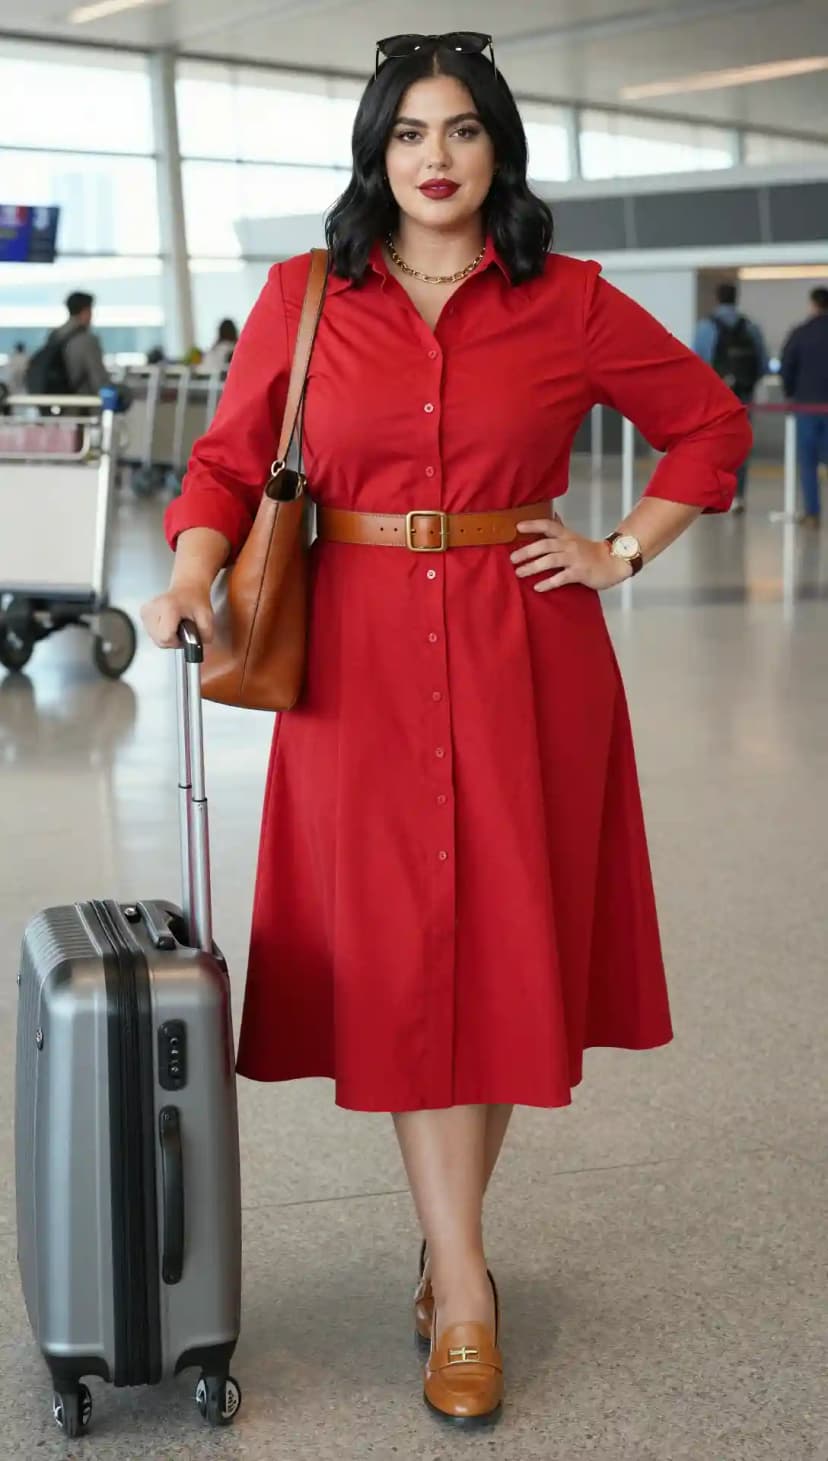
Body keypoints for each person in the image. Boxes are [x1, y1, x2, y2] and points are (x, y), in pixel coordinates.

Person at [141, 31, 750, 1428]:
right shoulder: (305, 297)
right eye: (410, 132)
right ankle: (466, 1281)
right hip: (351, 656)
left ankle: (451, 1258)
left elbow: (710, 429)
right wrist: (188, 572)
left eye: (462, 130)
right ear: (377, 151)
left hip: (526, 652)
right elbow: (229, 461)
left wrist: (620, 551)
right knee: (411, 958)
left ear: (498, 151)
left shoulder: (574, 302)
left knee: (501, 957)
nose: (436, 157)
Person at [693, 282, 767, 513]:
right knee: (741, 445)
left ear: (717, 298)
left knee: (713, 445)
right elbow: (763, 364)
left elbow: (696, 364)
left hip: (716, 397)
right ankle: (739, 497)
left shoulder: (706, 327)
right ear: (736, 298)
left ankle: (714, 496)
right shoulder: (751, 327)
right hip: (744, 395)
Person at [780, 286, 828, 527]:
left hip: (807, 406)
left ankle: (812, 513)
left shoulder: (801, 332)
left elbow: (786, 366)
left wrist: (790, 393)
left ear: (813, 304)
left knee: (808, 463)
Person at [27, 291, 115, 397]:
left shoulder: (55, 335)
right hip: (80, 404)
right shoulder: (87, 340)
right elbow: (99, 380)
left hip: (53, 399)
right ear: (85, 311)